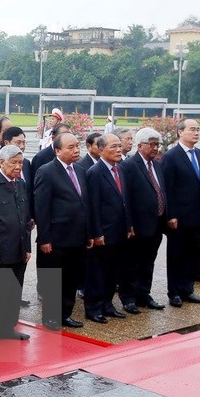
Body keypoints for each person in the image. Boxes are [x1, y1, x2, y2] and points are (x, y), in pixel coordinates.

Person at [34, 132, 91, 330]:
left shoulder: (81, 170)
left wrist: (88, 234)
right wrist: (45, 238)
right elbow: (42, 208)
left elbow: (85, 204)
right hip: (56, 238)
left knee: (71, 279)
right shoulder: (46, 171)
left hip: (78, 236)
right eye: (71, 147)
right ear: (57, 150)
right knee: (53, 280)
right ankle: (51, 317)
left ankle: (65, 314)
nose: (76, 150)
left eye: (77, 146)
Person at [0, 145, 32, 345]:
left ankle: (8, 327)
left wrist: (27, 247)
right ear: (1, 162)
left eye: (20, 163)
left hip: (19, 248)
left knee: (14, 292)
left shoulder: (20, 184)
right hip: (0, 251)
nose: (18, 167)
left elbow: (24, 219)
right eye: (14, 163)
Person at [84, 134, 132, 324]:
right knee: (98, 272)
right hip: (103, 233)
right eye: (114, 146)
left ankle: (107, 304)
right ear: (101, 150)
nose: (119, 150)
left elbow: (125, 201)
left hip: (120, 231)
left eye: (120, 146)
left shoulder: (120, 169)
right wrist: (96, 233)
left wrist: (128, 226)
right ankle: (93, 308)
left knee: (113, 271)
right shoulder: (95, 173)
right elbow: (93, 206)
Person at [161, 119, 200, 308]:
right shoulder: (171, 156)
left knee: (193, 253)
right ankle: (174, 292)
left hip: (197, 215)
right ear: (180, 132)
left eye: (198, 129)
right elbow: (168, 188)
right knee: (176, 255)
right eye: (192, 129)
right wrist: (170, 215)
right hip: (179, 217)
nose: (196, 133)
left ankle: (188, 289)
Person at [119, 128, 167, 313]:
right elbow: (125, 198)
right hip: (137, 226)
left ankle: (144, 294)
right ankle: (128, 297)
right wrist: (128, 224)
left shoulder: (157, 164)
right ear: (140, 146)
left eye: (157, 144)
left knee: (149, 261)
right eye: (152, 144)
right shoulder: (129, 166)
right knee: (132, 263)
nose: (155, 148)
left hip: (156, 223)